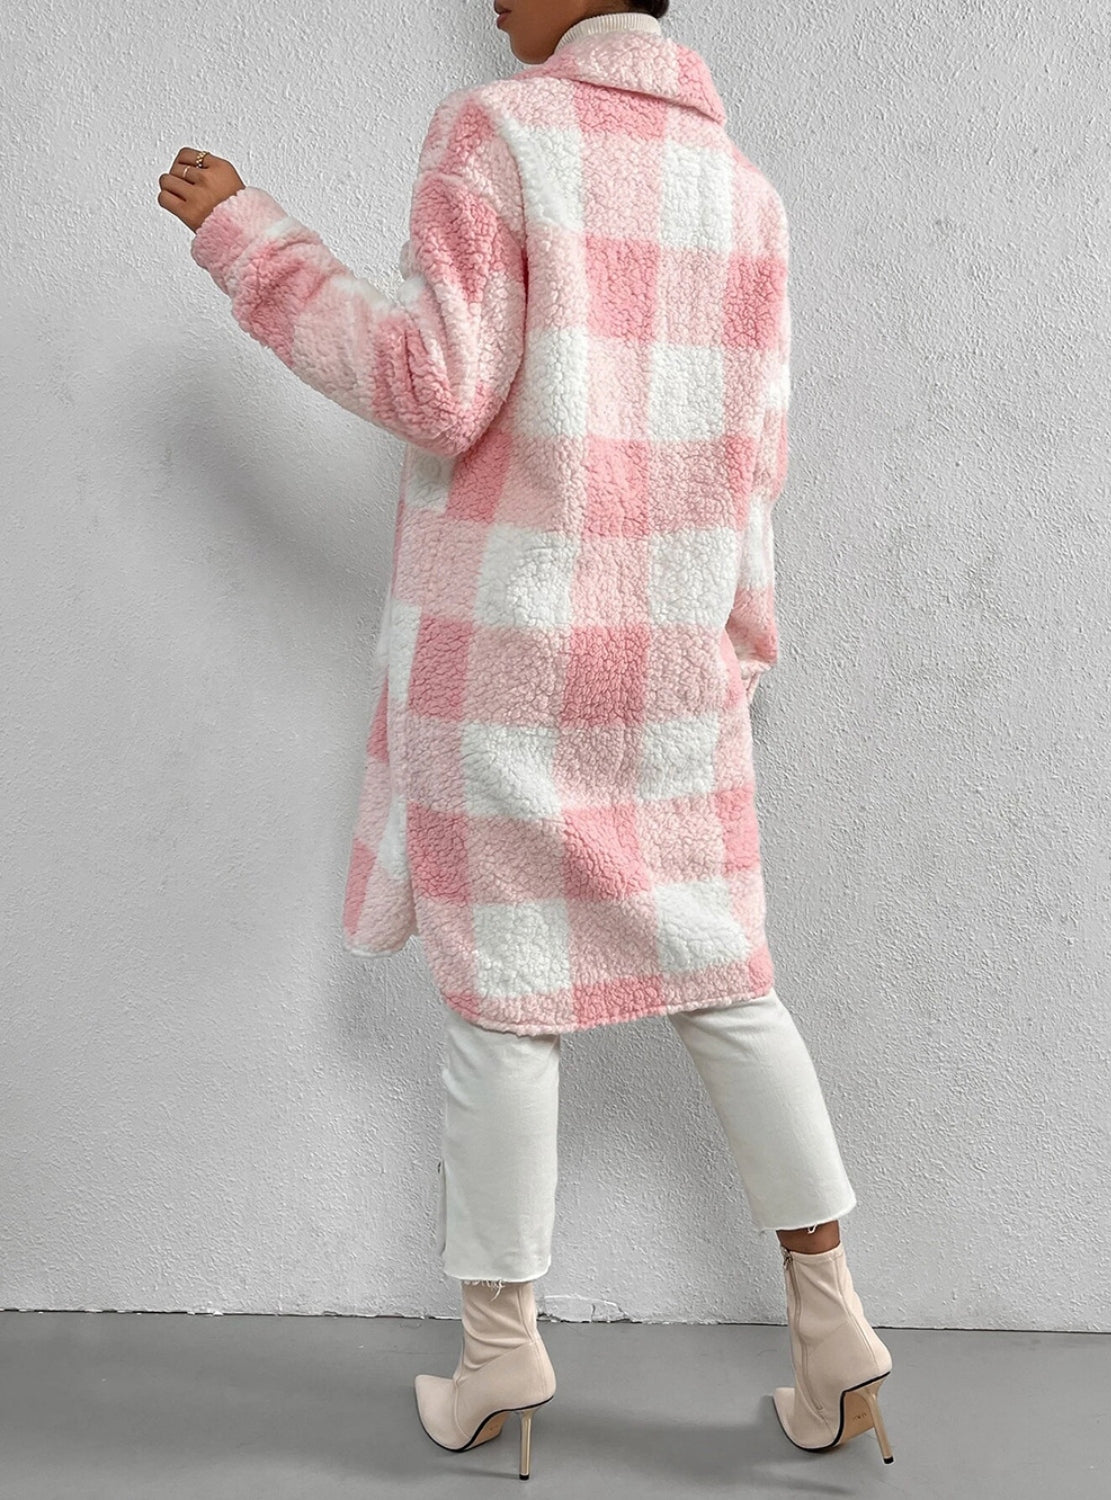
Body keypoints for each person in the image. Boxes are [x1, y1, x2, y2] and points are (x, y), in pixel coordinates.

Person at [157, 0, 894, 1481]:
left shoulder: (499, 132)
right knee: (726, 978)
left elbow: (432, 386)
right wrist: (739, 643)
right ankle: (835, 1331)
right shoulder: (743, 191)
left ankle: (500, 1355)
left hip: (503, 647)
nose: (487, 0)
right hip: (670, 654)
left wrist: (249, 236)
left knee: (503, 1006)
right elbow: (757, 454)